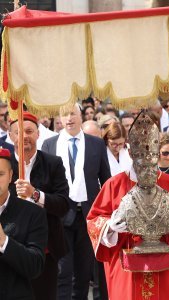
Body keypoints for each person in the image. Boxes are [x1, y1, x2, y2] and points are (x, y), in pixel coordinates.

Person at [86, 111, 169, 300]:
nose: (147, 157)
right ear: (130, 152)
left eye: (152, 151)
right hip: (126, 267)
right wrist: (109, 228)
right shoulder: (114, 185)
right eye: (141, 151)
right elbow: (94, 220)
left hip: (165, 265)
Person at [42, 103, 111, 300]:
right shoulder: (50, 144)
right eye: (65, 115)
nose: (69, 118)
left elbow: (105, 180)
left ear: (81, 117)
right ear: (59, 120)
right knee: (63, 271)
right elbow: (47, 182)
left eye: (73, 114)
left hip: (89, 216)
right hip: (61, 216)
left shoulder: (95, 143)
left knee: (83, 272)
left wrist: (105, 212)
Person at [8, 111, 70, 300]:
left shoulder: (52, 163)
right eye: (18, 132)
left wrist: (35, 194)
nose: (24, 136)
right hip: (9, 247)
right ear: (11, 136)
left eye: (29, 131)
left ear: (38, 134)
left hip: (44, 248)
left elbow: (63, 205)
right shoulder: (4, 165)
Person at [0, 147, 48, 300]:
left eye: (0, 174)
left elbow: (35, 266)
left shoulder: (33, 213)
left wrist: (3, 241)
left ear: (10, 176)